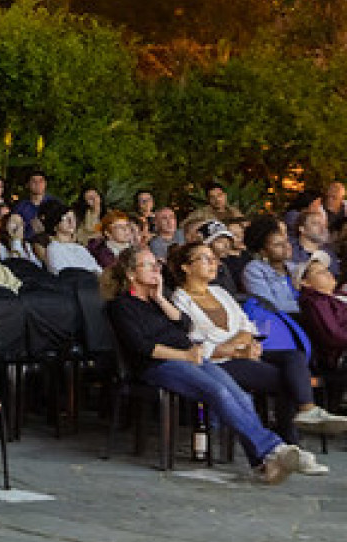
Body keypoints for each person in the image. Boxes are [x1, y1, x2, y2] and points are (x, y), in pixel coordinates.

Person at [100, 245, 311, 483]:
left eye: (156, 264)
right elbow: (142, 348)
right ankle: (274, 448)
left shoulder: (158, 302)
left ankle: (262, 462)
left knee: (240, 395)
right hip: (158, 366)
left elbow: (185, 325)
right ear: (131, 274)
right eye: (148, 265)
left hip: (190, 358)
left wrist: (159, 298)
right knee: (217, 391)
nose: (156, 270)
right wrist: (185, 356)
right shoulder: (121, 306)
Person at [169, 240, 344, 445]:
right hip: (216, 362)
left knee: (293, 356)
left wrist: (244, 345)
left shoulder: (220, 292)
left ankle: (307, 411)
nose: (214, 263)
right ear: (186, 267)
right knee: (285, 379)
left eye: (214, 259)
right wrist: (235, 351)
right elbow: (190, 341)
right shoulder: (179, 300)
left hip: (242, 351)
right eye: (205, 259)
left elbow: (247, 325)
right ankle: (289, 439)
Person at [39, 207, 101, 276]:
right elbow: (63, 274)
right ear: (55, 226)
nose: (71, 222)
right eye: (65, 218)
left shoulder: (80, 248)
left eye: (73, 218)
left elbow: (98, 269)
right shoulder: (54, 248)